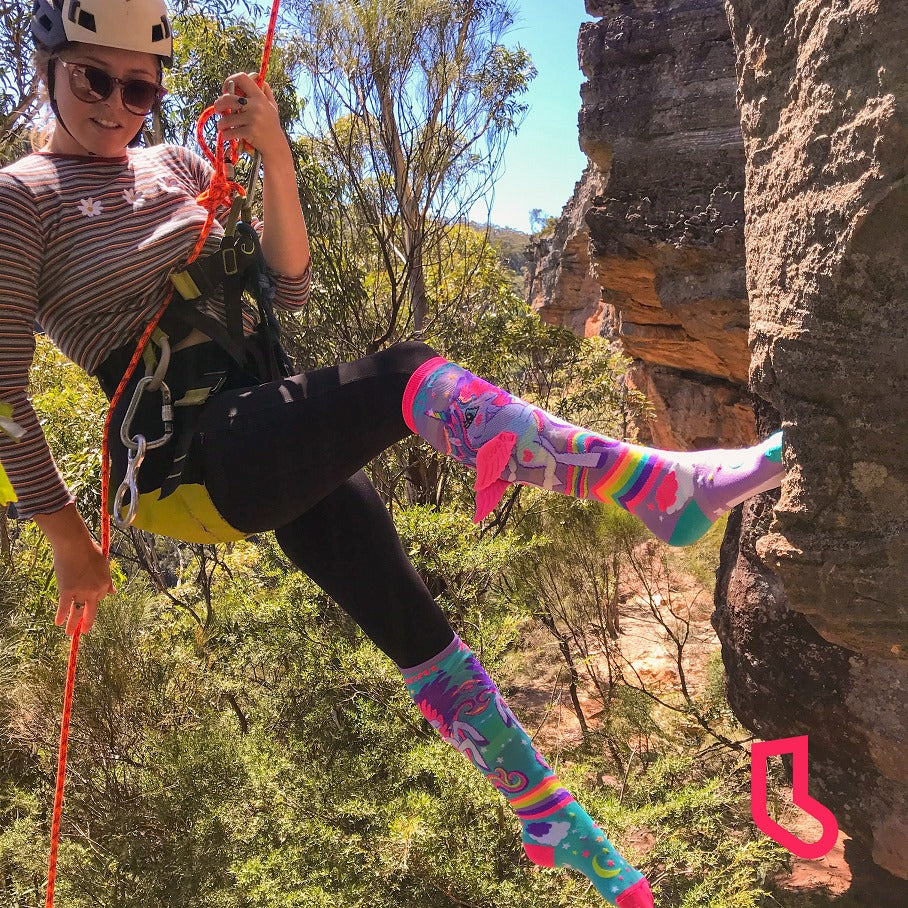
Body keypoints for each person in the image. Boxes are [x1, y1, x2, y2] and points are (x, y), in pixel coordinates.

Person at [0, 2, 786, 905]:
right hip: (189, 458)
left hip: (266, 420)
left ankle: (552, 821)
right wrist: (68, 542)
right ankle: (656, 490)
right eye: (94, 78)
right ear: (48, 66)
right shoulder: (21, 201)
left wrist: (279, 158)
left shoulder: (175, 164)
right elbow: (2, 396)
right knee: (402, 377)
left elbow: (288, 289)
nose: (118, 105)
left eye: (140, 87)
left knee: (415, 624)